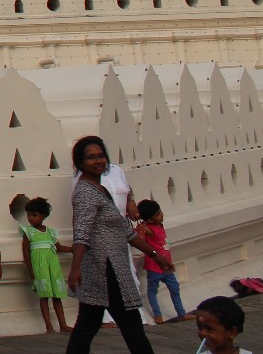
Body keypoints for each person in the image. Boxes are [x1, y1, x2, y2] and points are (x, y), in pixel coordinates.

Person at [64, 135, 162, 354]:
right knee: (131, 326)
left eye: (100, 156)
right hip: (105, 268)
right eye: (91, 158)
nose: (98, 161)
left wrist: (154, 253)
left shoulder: (100, 189)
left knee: (88, 325)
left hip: (110, 266)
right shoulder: (85, 193)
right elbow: (82, 231)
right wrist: (75, 267)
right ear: (80, 163)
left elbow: (124, 230)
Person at [20, 196, 72, 334]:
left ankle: (63, 324)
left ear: (43, 216)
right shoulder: (28, 232)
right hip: (40, 268)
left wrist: (73, 249)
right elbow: (26, 252)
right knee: (44, 296)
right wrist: (30, 270)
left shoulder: (50, 232)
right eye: (29, 215)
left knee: (57, 296)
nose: (30, 218)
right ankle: (49, 326)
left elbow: (59, 247)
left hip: (53, 268)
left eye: (34, 215)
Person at [134, 200, 184, 323]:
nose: (161, 215)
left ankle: (181, 313)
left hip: (166, 265)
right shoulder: (148, 229)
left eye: (160, 212)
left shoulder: (159, 226)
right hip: (154, 266)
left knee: (175, 288)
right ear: (150, 220)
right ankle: (157, 314)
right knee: (152, 291)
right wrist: (140, 225)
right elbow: (139, 237)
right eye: (157, 214)